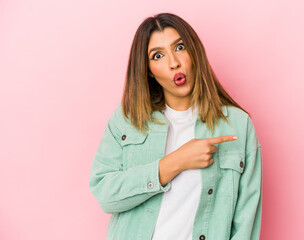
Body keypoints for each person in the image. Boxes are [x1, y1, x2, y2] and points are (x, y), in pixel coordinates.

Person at [89, 12, 262, 240]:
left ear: (194, 51)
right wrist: (176, 161)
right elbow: (105, 195)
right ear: (148, 70)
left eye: (179, 47)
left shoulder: (238, 125)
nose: (173, 63)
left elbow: (246, 220)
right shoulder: (128, 119)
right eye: (158, 55)